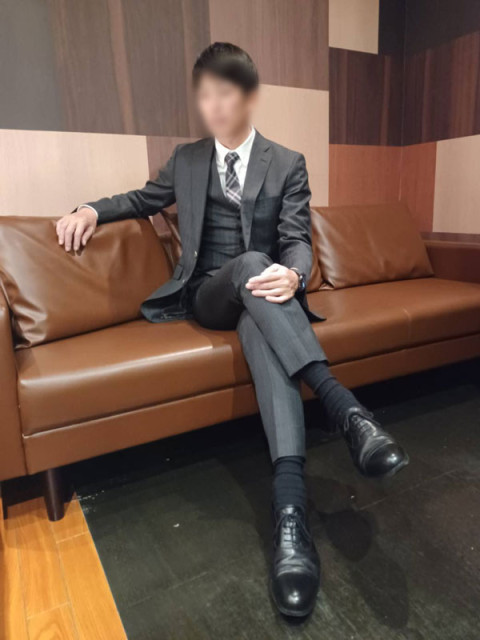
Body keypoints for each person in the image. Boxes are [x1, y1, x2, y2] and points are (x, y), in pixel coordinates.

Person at [56, 42, 408, 618]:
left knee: (260, 316)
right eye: (206, 95)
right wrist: (91, 210)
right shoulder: (187, 160)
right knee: (250, 263)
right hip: (208, 295)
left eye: (225, 92)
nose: (214, 106)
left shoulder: (286, 162)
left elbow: (297, 239)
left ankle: (290, 515)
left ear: (247, 96)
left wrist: (294, 274)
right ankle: (345, 408)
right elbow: (142, 199)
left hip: (261, 304)